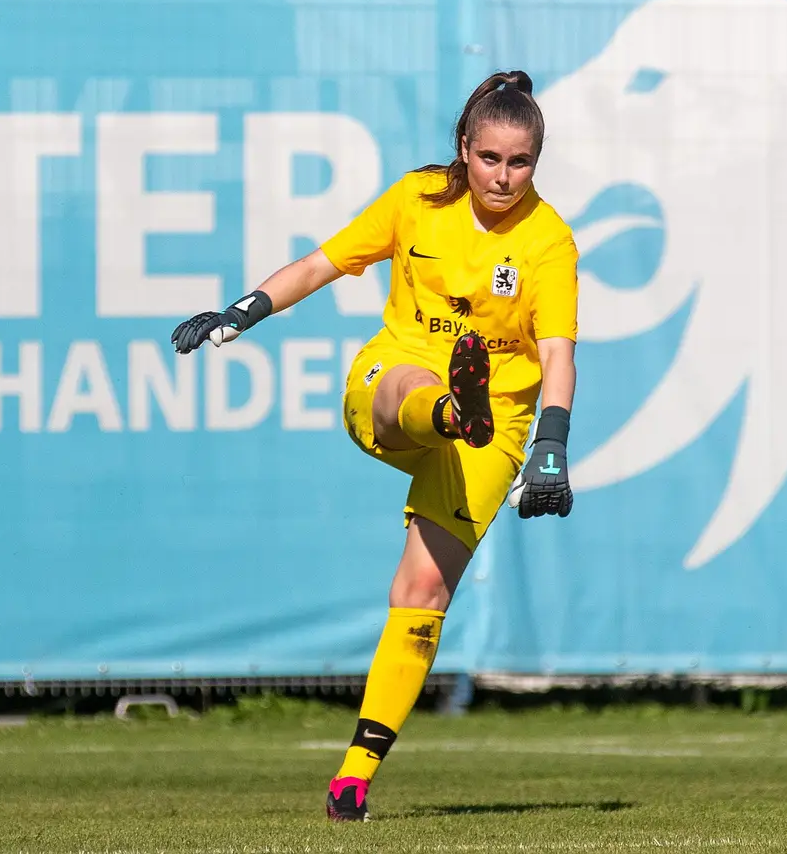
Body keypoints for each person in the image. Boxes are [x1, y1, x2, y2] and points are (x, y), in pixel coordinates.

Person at [171, 69, 579, 823]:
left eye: (519, 162)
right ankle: (450, 411)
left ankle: (355, 775)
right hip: (392, 388)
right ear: (465, 147)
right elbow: (326, 262)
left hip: (501, 425)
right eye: (489, 158)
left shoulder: (549, 240)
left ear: (536, 162)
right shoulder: (419, 200)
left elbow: (557, 354)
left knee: (422, 593)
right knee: (407, 387)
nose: (503, 176)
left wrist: (550, 444)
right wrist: (244, 309)